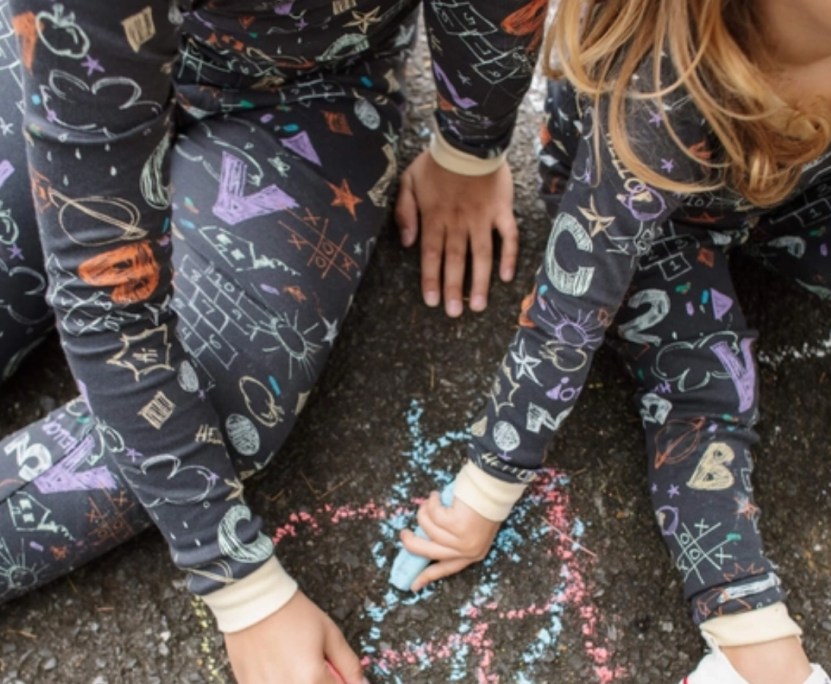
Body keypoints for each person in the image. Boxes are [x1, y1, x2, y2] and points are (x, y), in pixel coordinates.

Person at [0, 0, 545, 682]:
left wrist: (471, 145)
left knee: (217, 394)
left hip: (312, 95)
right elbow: (100, 293)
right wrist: (238, 584)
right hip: (69, 66)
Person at [400, 1, 831, 682]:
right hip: (661, 220)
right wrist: (487, 487)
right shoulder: (660, 95)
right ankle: (759, 658)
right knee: (702, 392)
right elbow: (569, 310)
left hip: (827, 179)